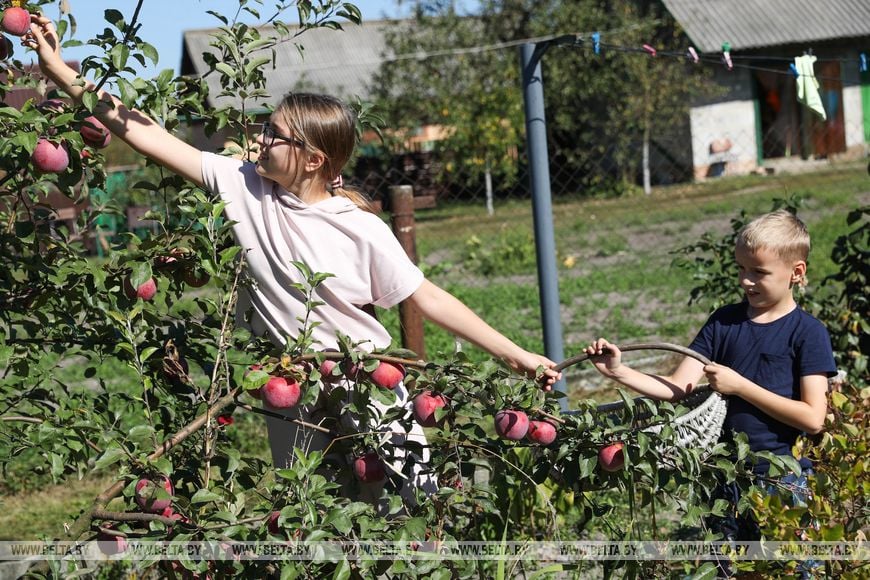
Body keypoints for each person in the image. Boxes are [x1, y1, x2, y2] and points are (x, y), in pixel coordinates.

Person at [23, 15, 561, 506]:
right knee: (314, 515)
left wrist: (517, 355)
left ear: (312, 158)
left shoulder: (360, 228)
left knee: (409, 505)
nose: (260, 138)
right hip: (292, 389)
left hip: (365, 384)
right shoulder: (242, 186)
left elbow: (427, 296)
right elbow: (144, 133)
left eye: (274, 134)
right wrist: (63, 74)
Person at [585, 209, 835, 575]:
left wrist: (741, 386)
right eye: (741, 269)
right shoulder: (724, 322)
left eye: (759, 272)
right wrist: (619, 371)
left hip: (783, 480)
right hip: (724, 475)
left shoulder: (807, 333)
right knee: (727, 568)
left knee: (791, 567)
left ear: (796, 273)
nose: (746, 281)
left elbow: (813, 418)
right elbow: (678, 388)